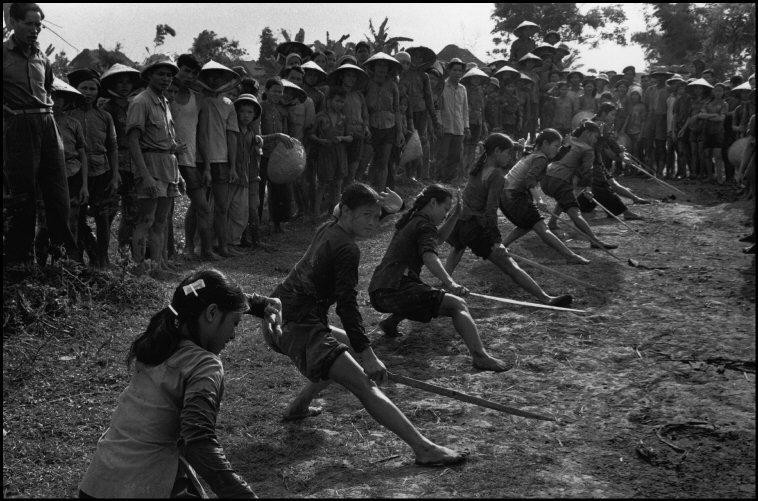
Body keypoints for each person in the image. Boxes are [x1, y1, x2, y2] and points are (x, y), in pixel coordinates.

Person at [268, 183, 469, 467]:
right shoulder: (347, 249)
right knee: (364, 382)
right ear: (347, 211)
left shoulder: (329, 227)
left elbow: (360, 219)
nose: (374, 224)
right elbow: (347, 307)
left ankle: (298, 407)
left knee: (340, 353)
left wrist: (395, 209)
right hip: (297, 327)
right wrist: (370, 356)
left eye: (377, 216)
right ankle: (423, 448)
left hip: (279, 315)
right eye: (367, 216)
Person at [79, 269, 281, 498]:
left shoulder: (159, 339)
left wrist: (260, 305)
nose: (233, 335)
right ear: (212, 313)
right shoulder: (205, 365)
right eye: (234, 323)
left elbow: (196, 294)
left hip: (96, 484)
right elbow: (198, 442)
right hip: (145, 487)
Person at [369, 184, 513, 371]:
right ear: (433, 203)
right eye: (445, 209)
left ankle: (390, 323)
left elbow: (435, 241)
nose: (445, 214)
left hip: (380, 290)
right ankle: (480, 356)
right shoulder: (424, 224)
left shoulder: (413, 219)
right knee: (457, 304)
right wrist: (450, 283)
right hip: (394, 290)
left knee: (421, 291)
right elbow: (429, 255)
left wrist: (454, 215)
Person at [445, 133, 573, 306]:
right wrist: (497, 241)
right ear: (497, 151)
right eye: (507, 153)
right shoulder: (497, 176)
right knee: (510, 265)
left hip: (461, 221)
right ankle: (546, 298)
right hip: (475, 227)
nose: (509, 158)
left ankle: (444, 284)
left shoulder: (478, 166)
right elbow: (491, 211)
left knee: (458, 249)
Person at [3, 2, 78, 266]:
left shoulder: (42, 58)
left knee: (58, 195)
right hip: (19, 127)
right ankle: (20, 262)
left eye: (39, 25)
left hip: (47, 124)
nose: (35, 30)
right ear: (13, 22)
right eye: (29, 24)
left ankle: (61, 259)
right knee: (23, 197)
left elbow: (47, 89)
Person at [127, 55, 182, 277]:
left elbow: (165, 140)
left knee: (161, 220)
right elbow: (132, 141)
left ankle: (157, 266)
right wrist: (146, 176)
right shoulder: (141, 101)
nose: (166, 79)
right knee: (146, 219)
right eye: (160, 74)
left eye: (169, 75)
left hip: (168, 165)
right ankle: (139, 267)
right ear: (149, 75)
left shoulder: (165, 103)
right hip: (150, 165)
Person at [500, 129, 590, 264]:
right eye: (555, 146)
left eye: (559, 147)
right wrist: (539, 199)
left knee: (527, 224)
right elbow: (529, 180)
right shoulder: (540, 158)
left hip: (505, 195)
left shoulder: (534, 153)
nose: (558, 150)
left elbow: (557, 157)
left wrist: (565, 147)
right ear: (545, 143)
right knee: (542, 228)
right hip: (514, 196)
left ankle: (501, 247)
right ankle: (570, 256)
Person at [68, 68, 120, 269]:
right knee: (77, 218)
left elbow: (112, 147)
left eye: (92, 89)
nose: (88, 92)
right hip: (76, 173)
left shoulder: (105, 116)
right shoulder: (69, 116)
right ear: (76, 89)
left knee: (103, 217)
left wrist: (115, 176)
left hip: (101, 171)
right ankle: (79, 259)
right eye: (84, 88)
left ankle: (103, 260)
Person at [34, 79, 89, 265]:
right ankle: (41, 262)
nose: (55, 102)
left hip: (72, 174)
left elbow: (82, 154)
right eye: (51, 97)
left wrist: (84, 186)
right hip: (46, 175)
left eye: (60, 98)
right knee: (44, 223)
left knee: (71, 222)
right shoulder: (39, 121)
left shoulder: (73, 124)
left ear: (66, 102)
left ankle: (67, 264)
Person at [541, 121, 619, 250]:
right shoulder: (588, 150)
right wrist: (587, 189)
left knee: (567, 196)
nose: (595, 140)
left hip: (546, 179)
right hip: (560, 181)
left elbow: (554, 156)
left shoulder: (569, 140)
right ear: (588, 134)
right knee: (575, 211)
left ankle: (552, 222)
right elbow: (587, 172)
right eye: (595, 136)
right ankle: (594, 241)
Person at [170, 54, 216, 261]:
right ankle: (169, 254)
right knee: (165, 210)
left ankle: (200, 249)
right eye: (186, 70)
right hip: (167, 157)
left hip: (190, 160)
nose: (189, 76)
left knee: (202, 207)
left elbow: (203, 135)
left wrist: (206, 166)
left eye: (194, 73)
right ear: (177, 68)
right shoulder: (165, 93)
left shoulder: (198, 99)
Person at [197, 60, 242, 256]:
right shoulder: (198, 100)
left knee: (222, 206)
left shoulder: (228, 104)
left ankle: (222, 246)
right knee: (199, 206)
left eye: (219, 76)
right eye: (211, 76)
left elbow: (232, 136)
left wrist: (232, 166)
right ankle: (197, 247)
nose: (215, 80)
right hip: (199, 159)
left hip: (221, 160)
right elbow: (200, 133)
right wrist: (206, 165)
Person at [575, 103, 648, 221]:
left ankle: (581, 205)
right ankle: (625, 211)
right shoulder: (594, 125)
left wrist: (621, 154)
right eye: (612, 114)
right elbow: (608, 143)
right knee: (602, 187)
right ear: (603, 113)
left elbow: (609, 142)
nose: (614, 117)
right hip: (589, 160)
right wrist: (621, 156)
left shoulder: (601, 124)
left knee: (599, 187)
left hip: (595, 159)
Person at [100, 63, 143, 256]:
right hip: (114, 163)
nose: (124, 86)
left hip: (135, 162)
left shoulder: (136, 105)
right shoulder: (106, 108)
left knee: (133, 211)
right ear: (112, 84)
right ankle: (101, 253)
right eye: (120, 82)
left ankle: (124, 253)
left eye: (128, 82)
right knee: (109, 210)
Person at [259, 77, 295, 233]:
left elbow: (285, 133)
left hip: (277, 157)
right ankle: (256, 226)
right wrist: (278, 136)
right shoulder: (260, 108)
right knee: (259, 191)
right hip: (261, 156)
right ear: (266, 91)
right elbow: (258, 136)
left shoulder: (279, 111)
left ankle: (277, 224)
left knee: (278, 190)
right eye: (274, 90)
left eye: (280, 91)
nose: (278, 94)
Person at [364, 52, 403, 191]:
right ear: (373, 67)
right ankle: (368, 191)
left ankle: (380, 193)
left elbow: (397, 110)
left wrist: (399, 132)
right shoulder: (367, 84)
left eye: (384, 66)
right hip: (371, 125)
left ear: (388, 69)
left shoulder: (392, 85)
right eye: (379, 65)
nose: (381, 68)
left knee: (384, 161)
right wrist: (365, 126)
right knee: (370, 160)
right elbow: (364, 108)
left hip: (389, 126)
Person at [311, 87, 352, 215]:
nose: (340, 104)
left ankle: (334, 212)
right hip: (325, 153)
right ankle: (316, 212)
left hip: (340, 153)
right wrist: (321, 141)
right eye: (337, 101)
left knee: (338, 183)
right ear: (329, 101)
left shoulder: (344, 118)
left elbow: (350, 137)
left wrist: (342, 138)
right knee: (322, 183)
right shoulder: (320, 116)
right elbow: (311, 135)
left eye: (342, 102)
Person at [437, 58, 470, 183]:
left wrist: (466, 126)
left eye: (460, 71)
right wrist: (439, 123)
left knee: (455, 156)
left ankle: (448, 179)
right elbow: (438, 108)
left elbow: (465, 109)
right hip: (445, 126)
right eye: (454, 70)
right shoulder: (442, 86)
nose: (457, 73)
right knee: (442, 155)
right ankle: (439, 178)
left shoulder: (462, 89)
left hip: (459, 127)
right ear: (449, 71)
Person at [700, 82, 728, 184]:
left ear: (723, 92)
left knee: (717, 155)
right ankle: (710, 176)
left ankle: (720, 177)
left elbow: (721, 118)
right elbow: (701, 115)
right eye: (716, 90)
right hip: (707, 131)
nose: (718, 93)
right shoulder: (707, 103)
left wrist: (708, 115)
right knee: (707, 155)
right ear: (713, 91)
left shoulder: (724, 104)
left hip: (718, 132)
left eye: (720, 90)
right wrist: (713, 115)